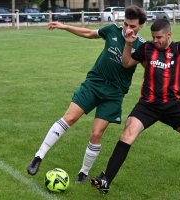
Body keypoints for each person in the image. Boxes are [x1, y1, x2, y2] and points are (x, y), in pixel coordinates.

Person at [90, 18, 180, 194]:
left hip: (173, 106)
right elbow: (126, 63)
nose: (155, 40)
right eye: (153, 37)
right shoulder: (147, 48)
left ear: (169, 34)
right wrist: (128, 44)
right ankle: (106, 180)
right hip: (147, 105)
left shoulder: (179, 49)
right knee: (127, 134)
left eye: (158, 37)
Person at [27, 5, 147, 184]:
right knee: (70, 118)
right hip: (94, 83)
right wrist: (65, 26)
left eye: (133, 26)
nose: (128, 29)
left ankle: (83, 173)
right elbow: (89, 33)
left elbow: (143, 69)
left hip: (114, 93)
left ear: (141, 26)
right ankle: (38, 156)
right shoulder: (112, 30)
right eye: (126, 24)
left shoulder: (142, 46)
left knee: (96, 133)